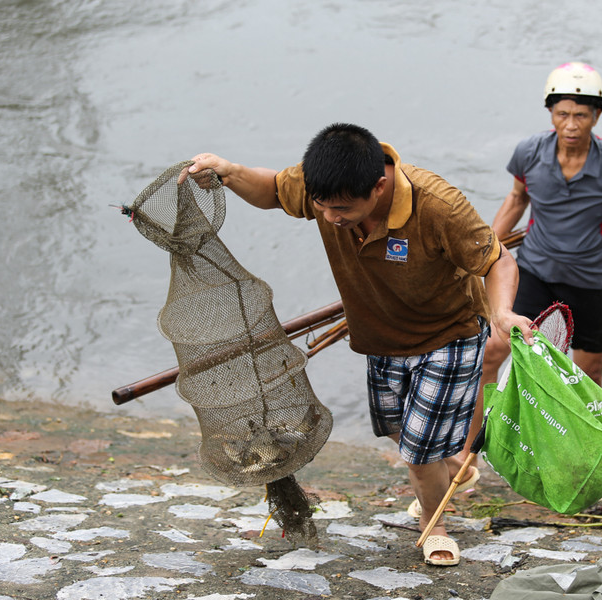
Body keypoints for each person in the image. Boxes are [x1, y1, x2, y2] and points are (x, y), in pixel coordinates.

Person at [182, 123, 533, 566]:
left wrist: (502, 315)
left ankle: (435, 526)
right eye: (322, 207)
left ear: (379, 187)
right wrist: (230, 172)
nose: (331, 218)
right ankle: (452, 470)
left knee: (419, 450)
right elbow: (272, 189)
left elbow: (499, 261)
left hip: (449, 334)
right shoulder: (323, 188)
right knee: (401, 434)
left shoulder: (438, 205)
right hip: (381, 339)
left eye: (343, 209)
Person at [461, 61, 602, 460]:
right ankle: (470, 454)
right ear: (551, 114)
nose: (571, 124)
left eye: (581, 115)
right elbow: (516, 200)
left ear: (596, 116)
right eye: (562, 114)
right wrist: (480, 260)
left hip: (592, 282)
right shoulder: (530, 153)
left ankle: (579, 459)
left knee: (586, 377)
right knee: (490, 355)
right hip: (535, 273)